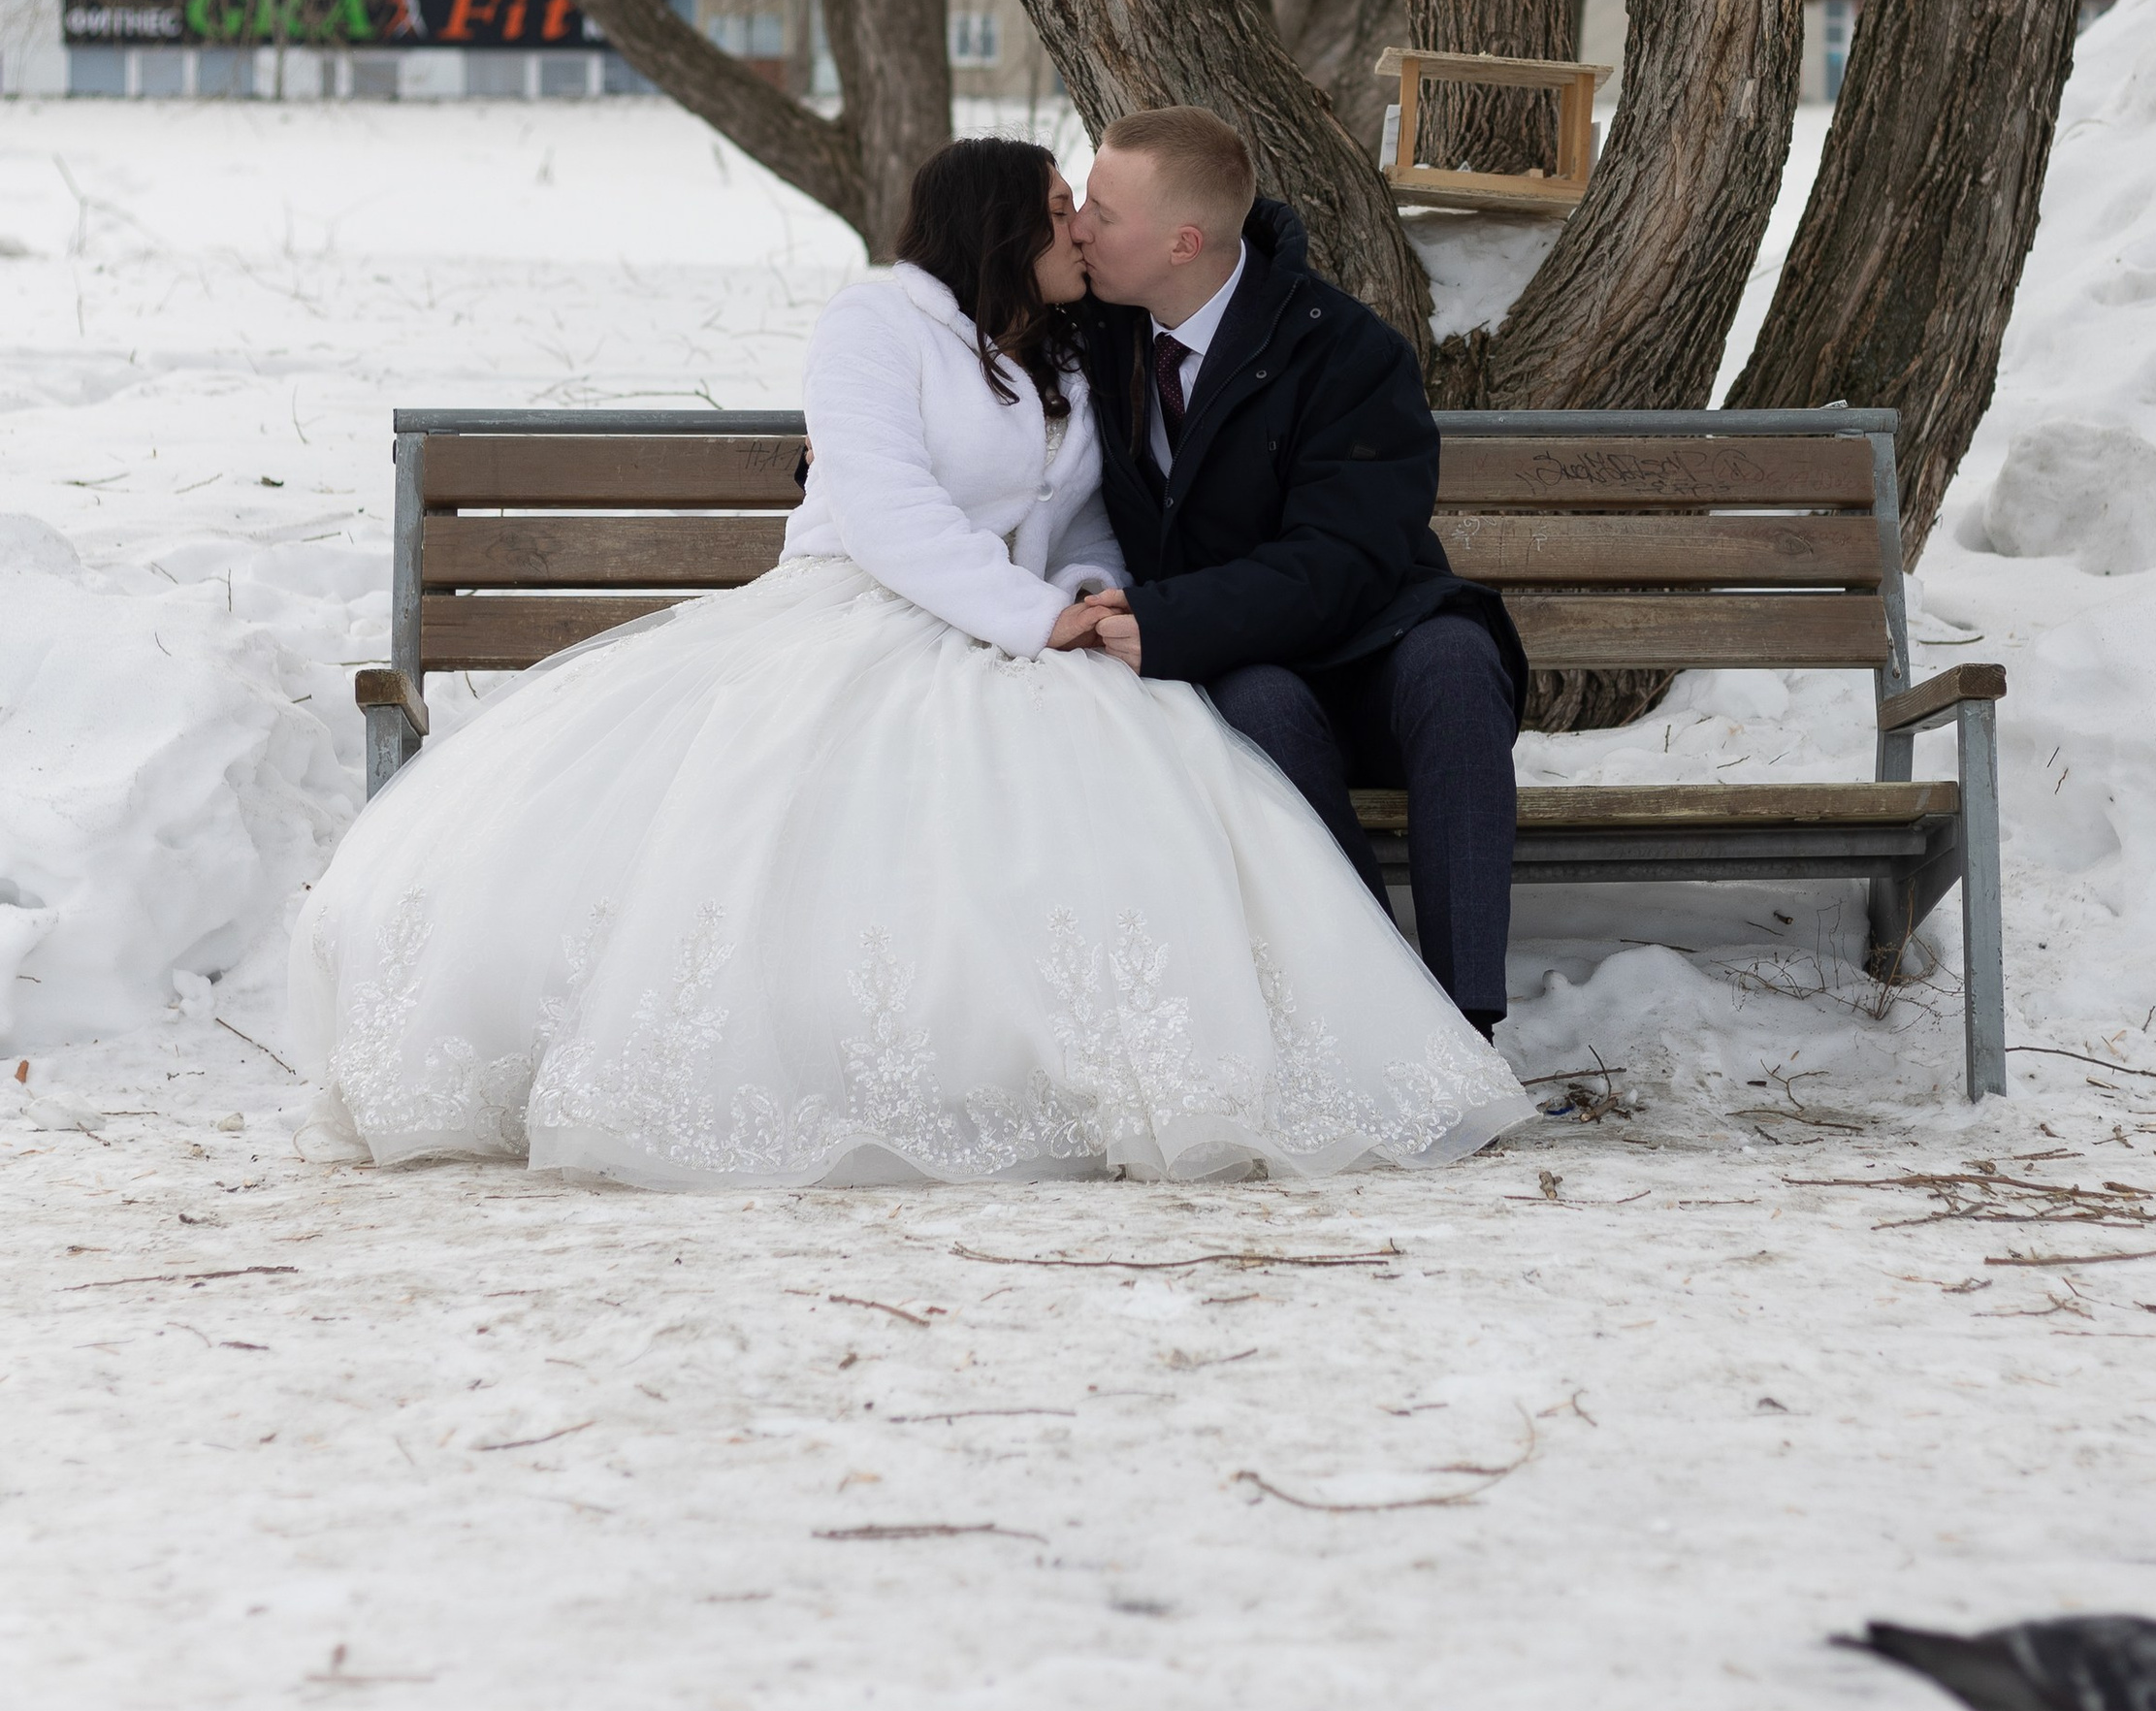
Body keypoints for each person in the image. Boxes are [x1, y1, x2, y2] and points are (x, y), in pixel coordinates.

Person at [289, 137, 1530, 1188]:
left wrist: (1083, 596)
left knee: (1191, 763)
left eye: (1096, 211)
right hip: (862, 616)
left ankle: (1376, 1019)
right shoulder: (879, 323)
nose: (1082, 228)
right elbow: (885, 508)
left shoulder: (1074, 340)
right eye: (1065, 207)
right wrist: (1034, 616)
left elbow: (1092, 516)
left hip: (1039, 628)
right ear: (1002, 227)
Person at [1069, 108, 1524, 1040]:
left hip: (1374, 639)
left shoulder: (1349, 352)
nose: (1079, 226)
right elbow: (954, 364)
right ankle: (1388, 1015)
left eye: (1102, 213)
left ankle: (1468, 1021)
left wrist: (1171, 617)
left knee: (1456, 662)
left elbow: (1344, 559)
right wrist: (851, 447)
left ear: (1183, 242)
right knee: (1263, 705)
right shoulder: (1093, 327)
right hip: (1242, 663)